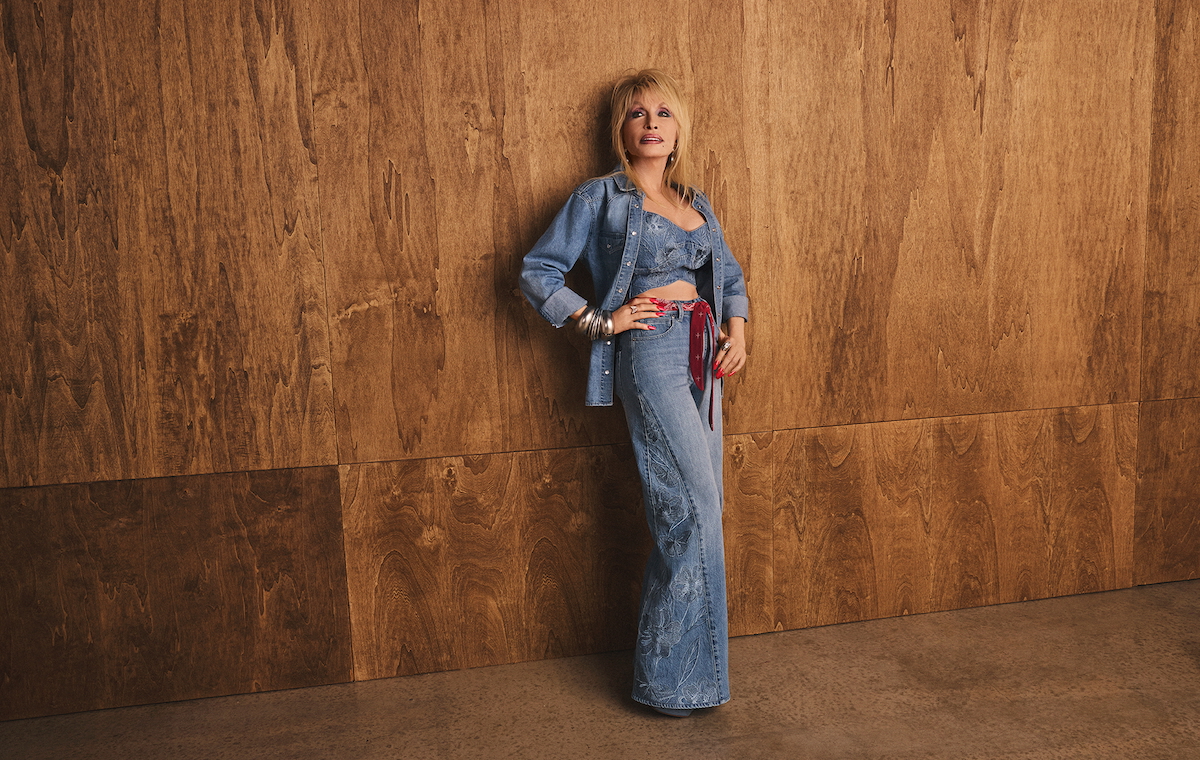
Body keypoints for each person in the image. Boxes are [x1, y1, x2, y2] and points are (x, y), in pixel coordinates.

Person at [519, 69, 749, 717]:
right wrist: (601, 322)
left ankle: (693, 681)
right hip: (651, 352)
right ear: (621, 130)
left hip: (704, 353)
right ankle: (670, 684)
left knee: (704, 509)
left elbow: (729, 276)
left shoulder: (696, 201)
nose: (651, 123)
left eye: (663, 113)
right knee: (690, 509)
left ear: (679, 130)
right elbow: (538, 271)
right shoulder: (601, 198)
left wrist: (738, 330)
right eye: (637, 113)